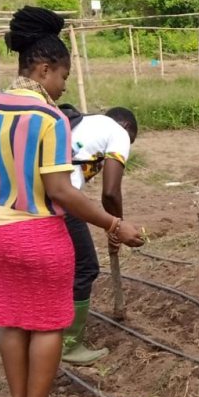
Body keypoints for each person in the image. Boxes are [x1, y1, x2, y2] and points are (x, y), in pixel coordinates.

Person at [0, 7, 144, 397]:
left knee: (11, 321)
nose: (62, 87)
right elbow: (61, 190)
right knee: (46, 324)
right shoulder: (49, 118)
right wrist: (115, 226)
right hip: (36, 233)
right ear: (43, 69)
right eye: (61, 76)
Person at [60, 104, 140, 364]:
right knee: (85, 268)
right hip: (62, 198)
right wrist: (118, 226)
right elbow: (110, 192)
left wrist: (111, 227)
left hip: (38, 196)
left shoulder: (88, 125)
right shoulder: (118, 132)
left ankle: (44, 333)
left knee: (60, 266)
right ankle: (70, 346)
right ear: (127, 128)